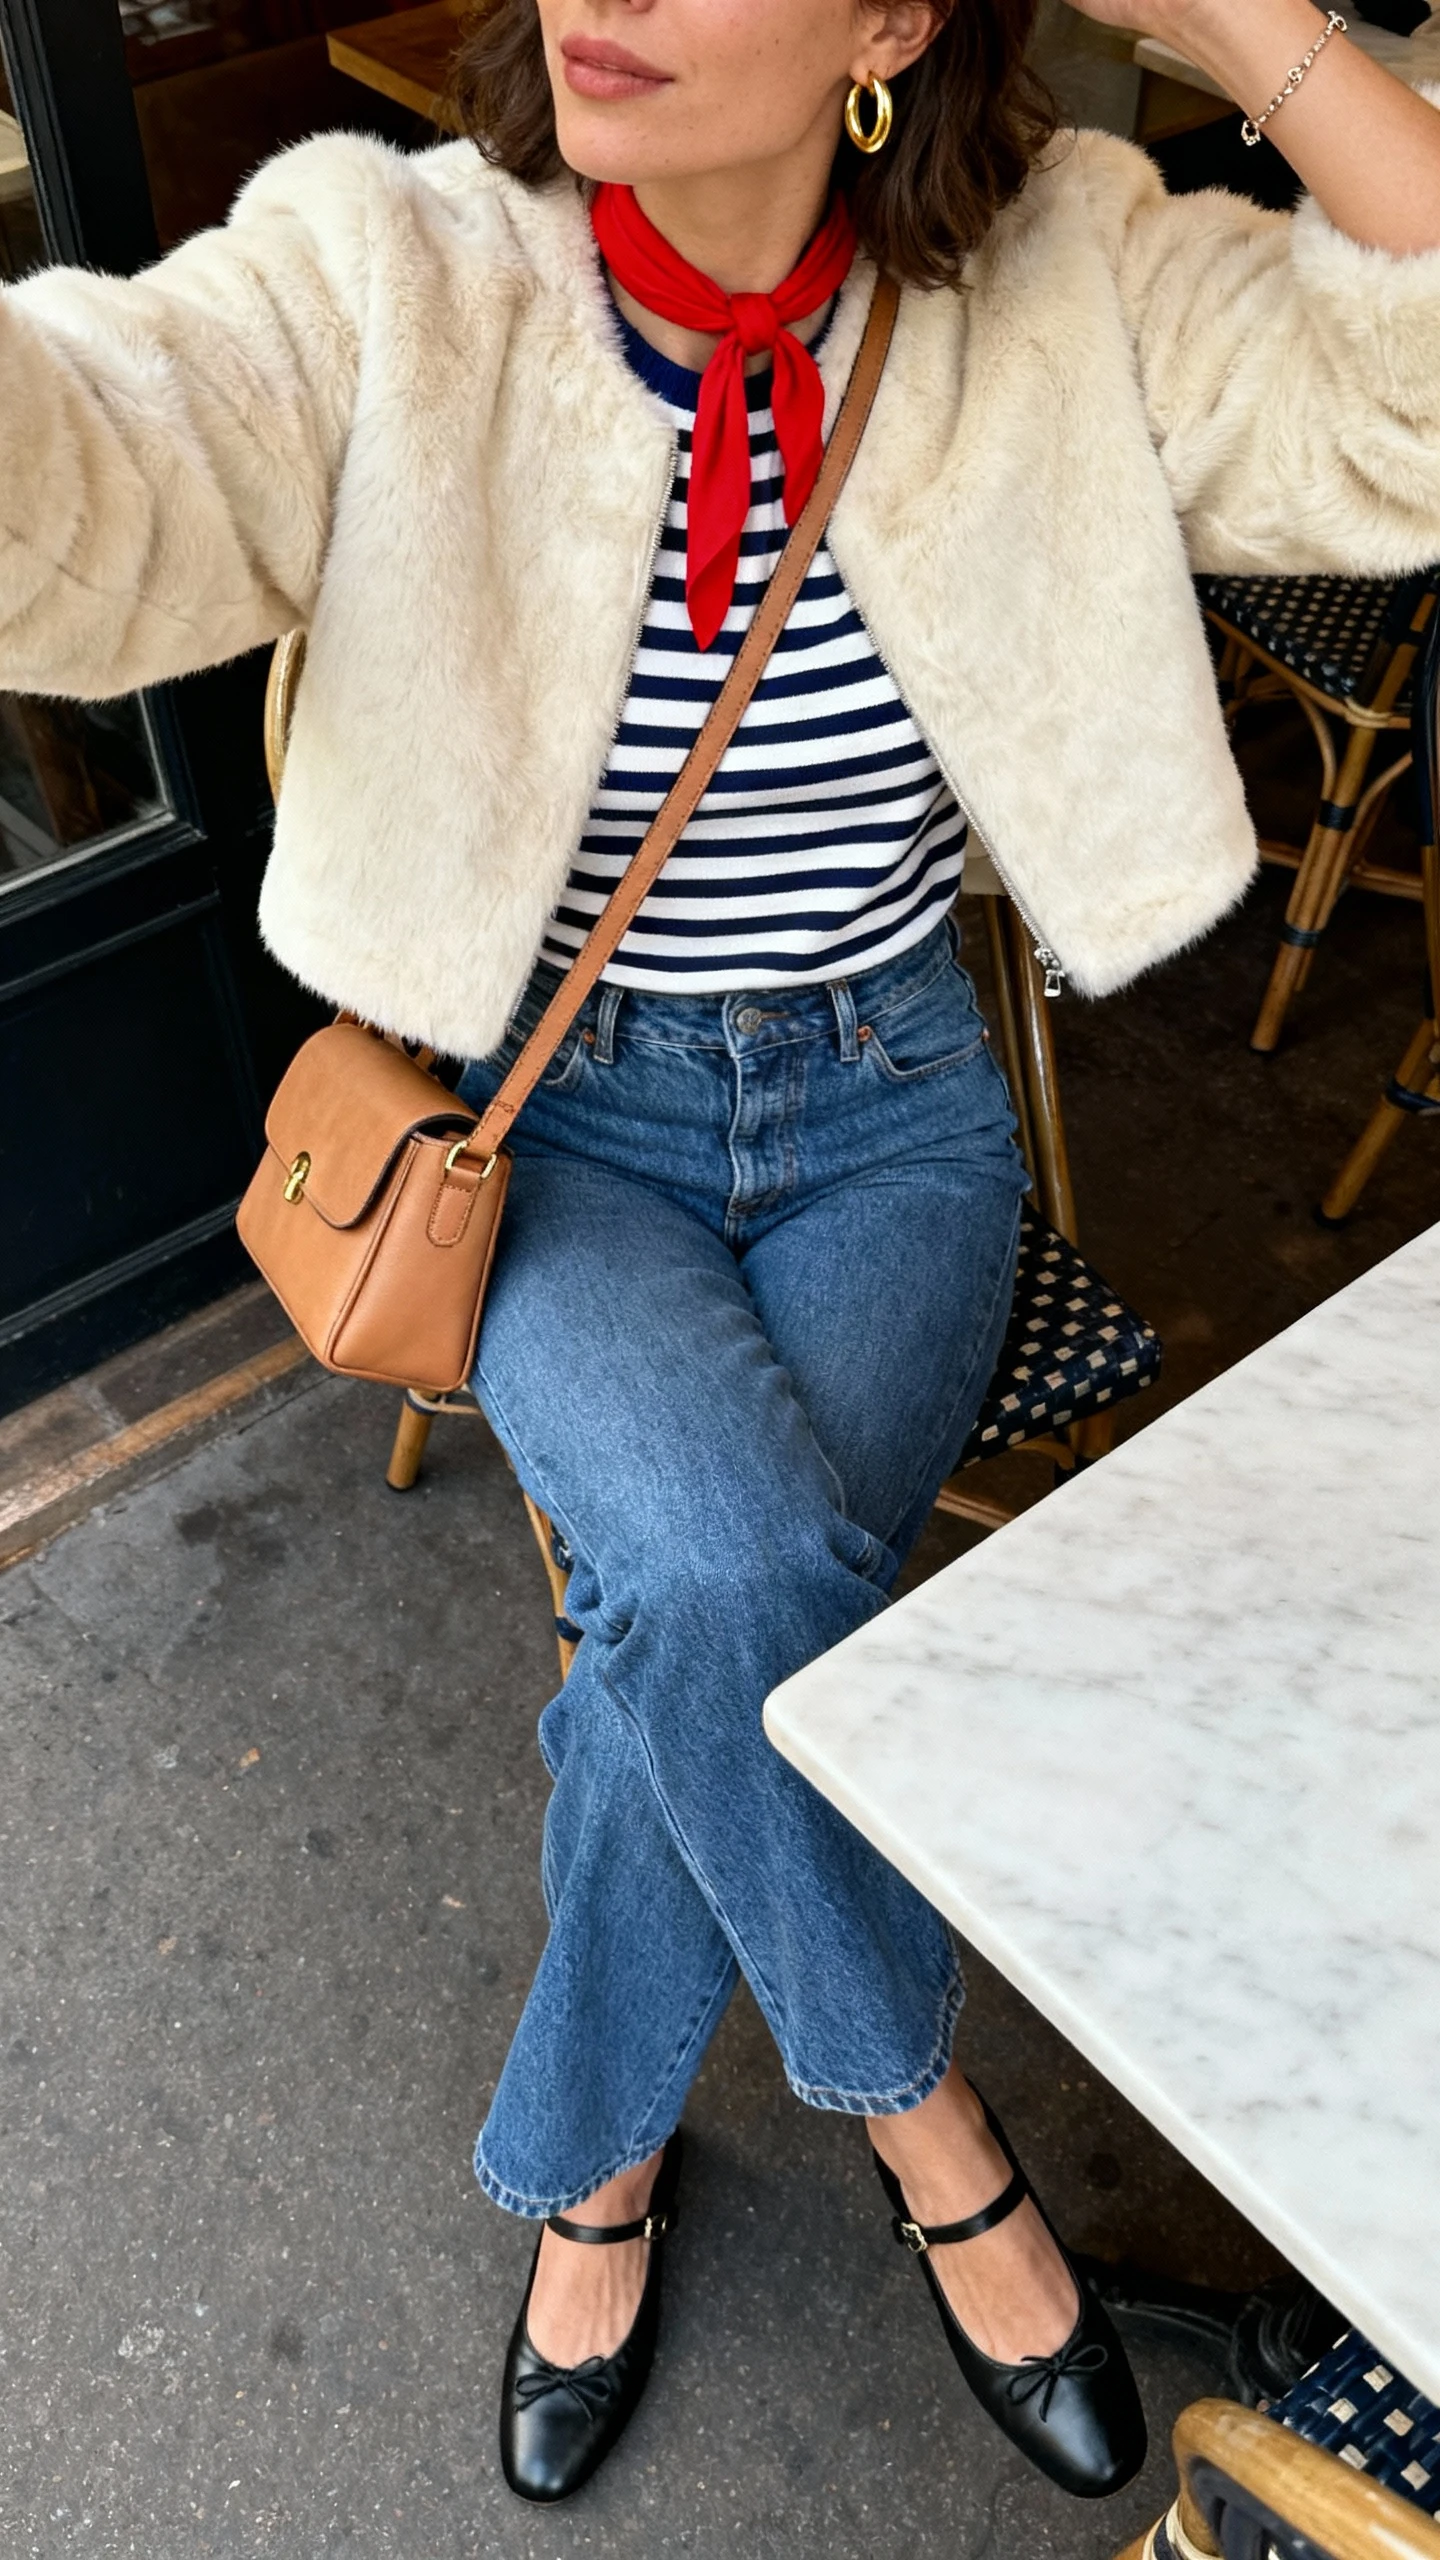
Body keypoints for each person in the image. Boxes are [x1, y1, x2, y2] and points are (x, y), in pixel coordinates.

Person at [5, 0, 1440, 2512]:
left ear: (893, 22)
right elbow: (98, 471)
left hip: (897, 1116)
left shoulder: (1066, 275)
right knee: (750, 1573)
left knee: (680, 1646)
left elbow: (1402, 410)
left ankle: (597, 2166)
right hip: (561, 1139)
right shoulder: (397, 274)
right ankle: (937, 2139)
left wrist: (1249, 29)